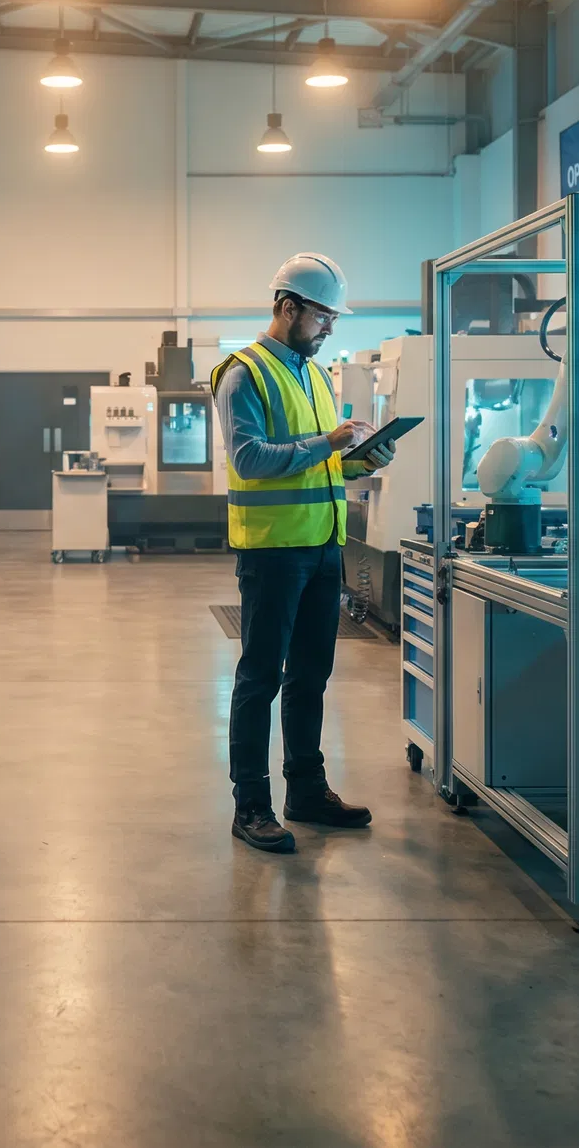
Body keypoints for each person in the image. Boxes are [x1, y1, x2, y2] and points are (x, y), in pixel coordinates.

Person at [209, 253, 395, 853]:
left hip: (322, 545)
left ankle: (307, 791)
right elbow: (251, 459)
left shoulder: (314, 373)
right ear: (288, 308)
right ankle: (251, 806)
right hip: (273, 552)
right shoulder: (243, 373)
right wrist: (328, 441)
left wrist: (363, 457)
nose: (330, 329)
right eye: (323, 317)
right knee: (260, 677)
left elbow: (323, 461)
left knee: (311, 674)